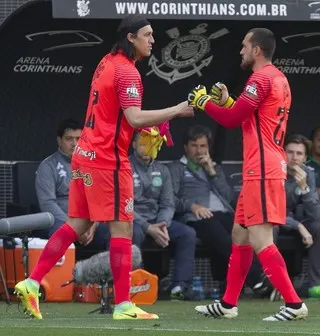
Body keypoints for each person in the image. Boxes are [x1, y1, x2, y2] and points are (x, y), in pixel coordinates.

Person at [14, 14, 193, 320]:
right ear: (131, 38)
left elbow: (120, 115)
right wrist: (176, 110)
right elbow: (135, 118)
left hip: (86, 153)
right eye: (147, 35)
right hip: (108, 161)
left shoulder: (107, 61)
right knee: (123, 227)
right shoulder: (128, 72)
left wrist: (145, 126)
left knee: (76, 225)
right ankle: (124, 305)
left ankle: (31, 283)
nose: (153, 40)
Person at [188, 28, 308, 321]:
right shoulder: (278, 78)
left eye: (244, 46)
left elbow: (232, 119)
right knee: (239, 235)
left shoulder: (261, 78)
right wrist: (228, 101)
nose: (240, 51)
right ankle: (228, 304)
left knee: (260, 239)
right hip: (262, 166)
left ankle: (294, 304)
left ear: (257, 50)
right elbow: (249, 117)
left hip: (263, 169)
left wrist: (205, 103)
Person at [130, 132, 197, 300]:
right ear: (134, 145)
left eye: (152, 144)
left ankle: (179, 288)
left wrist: (162, 224)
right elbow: (124, 205)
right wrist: (147, 227)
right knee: (133, 233)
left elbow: (168, 203)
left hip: (158, 221)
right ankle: (134, 286)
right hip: (133, 220)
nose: (147, 149)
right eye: (143, 144)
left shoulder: (162, 170)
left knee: (187, 234)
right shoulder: (124, 167)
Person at [35, 118, 110, 260]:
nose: (74, 143)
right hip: (61, 220)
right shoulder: (48, 166)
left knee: (115, 230)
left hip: (89, 222)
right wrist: (74, 227)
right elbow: (47, 204)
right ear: (59, 140)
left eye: (78, 138)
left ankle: (111, 278)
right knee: (58, 231)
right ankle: (59, 280)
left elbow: (99, 199)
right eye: (69, 139)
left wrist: (93, 225)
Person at [273, 134, 320, 298]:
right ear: (282, 153)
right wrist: (298, 226)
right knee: (269, 228)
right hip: (276, 221)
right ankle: (270, 284)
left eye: (299, 154)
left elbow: (314, 213)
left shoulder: (308, 173)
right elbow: (274, 211)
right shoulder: (275, 172)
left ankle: (316, 285)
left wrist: (305, 188)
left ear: (305, 157)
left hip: (299, 221)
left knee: (318, 226)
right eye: (290, 152)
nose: (294, 157)